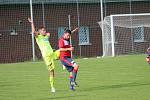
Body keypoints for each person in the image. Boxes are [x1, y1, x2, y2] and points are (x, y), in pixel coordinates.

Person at [28, 18, 60, 93]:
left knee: (62, 50)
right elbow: (33, 32)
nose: (44, 31)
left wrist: (46, 34)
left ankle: (64, 64)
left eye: (45, 30)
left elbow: (48, 34)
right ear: (39, 31)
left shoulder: (46, 36)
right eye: (43, 30)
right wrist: (32, 23)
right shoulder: (38, 37)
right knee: (52, 71)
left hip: (52, 54)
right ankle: (52, 87)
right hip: (47, 57)